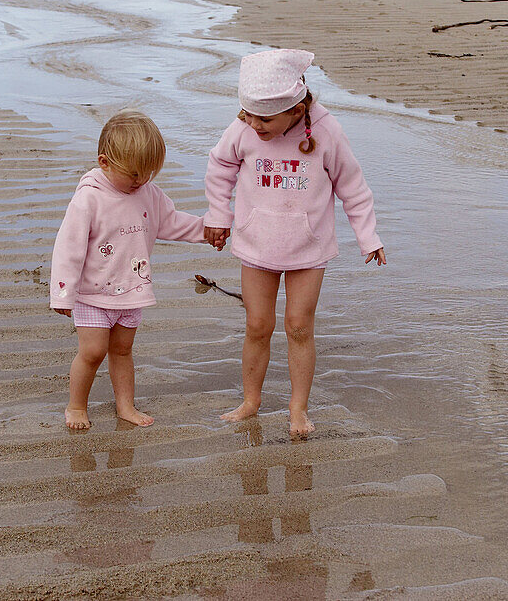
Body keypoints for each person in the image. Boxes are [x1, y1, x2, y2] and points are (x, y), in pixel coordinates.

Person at [203, 49, 387, 437]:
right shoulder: (243, 129)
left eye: (265, 119)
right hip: (256, 243)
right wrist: (219, 215)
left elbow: (353, 186)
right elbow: (220, 168)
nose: (254, 124)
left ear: (295, 109)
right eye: (248, 113)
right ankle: (251, 400)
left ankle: (297, 407)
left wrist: (367, 236)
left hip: (308, 248)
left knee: (299, 326)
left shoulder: (325, 130)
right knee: (257, 324)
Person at [50, 110, 210, 430]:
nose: (141, 181)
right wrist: (63, 293)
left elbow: (172, 221)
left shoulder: (147, 192)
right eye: (134, 174)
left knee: (122, 352)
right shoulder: (89, 199)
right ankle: (77, 405)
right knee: (93, 352)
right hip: (93, 294)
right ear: (105, 162)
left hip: (132, 291)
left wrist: (208, 231)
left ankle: (125, 405)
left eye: (148, 173)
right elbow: (68, 248)